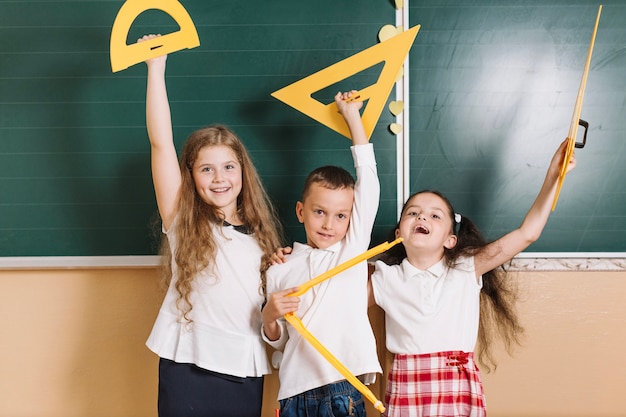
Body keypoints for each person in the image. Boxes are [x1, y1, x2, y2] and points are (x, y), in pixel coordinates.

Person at [369, 139, 577, 417]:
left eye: (435, 215)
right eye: (413, 213)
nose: (423, 217)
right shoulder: (385, 278)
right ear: (398, 235)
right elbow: (338, 305)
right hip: (407, 388)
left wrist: (553, 176)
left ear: (450, 240)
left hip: (457, 387)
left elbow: (528, 233)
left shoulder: (466, 269)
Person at [139, 35, 283, 417]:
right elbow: (161, 143)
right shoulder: (183, 221)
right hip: (187, 362)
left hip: (242, 368)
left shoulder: (262, 237)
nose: (219, 178)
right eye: (206, 169)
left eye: (228, 167)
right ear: (191, 176)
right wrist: (157, 68)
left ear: (242, 172)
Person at [261, 90, 381, 417]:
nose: (329, 224)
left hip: (345, 384)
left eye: (341, 216)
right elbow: (278, 340)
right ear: (300, 211)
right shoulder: (280, 267)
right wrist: (269, 315)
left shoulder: (352, 250)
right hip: (294, 392)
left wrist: (352, 116)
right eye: (319, 212)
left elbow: (369, 183)